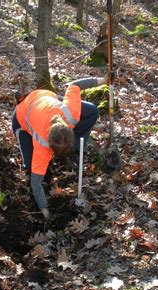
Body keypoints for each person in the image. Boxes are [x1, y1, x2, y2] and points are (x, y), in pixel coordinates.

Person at [11, 76, 107, 219]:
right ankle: (21, 98)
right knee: (31, 166)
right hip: (22, 115)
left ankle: (75, 152)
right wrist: (44, 210)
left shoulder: (71, 114)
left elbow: (75, 85)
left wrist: (103, 80)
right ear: (49, 145)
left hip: (44, 96)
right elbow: (36, 183)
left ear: (69, 129)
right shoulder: (41, 144)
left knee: (91, 111)